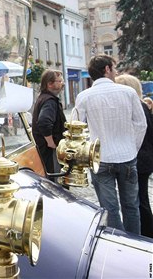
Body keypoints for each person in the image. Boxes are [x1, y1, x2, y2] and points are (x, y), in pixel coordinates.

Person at [74, 55, 146, 234]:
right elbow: (141, 124)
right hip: (127, 157)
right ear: (106, 69)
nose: (116, 72)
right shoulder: (128, 93)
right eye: (114, 68)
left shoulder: (84, 96)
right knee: (131, 206)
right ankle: (134, 243)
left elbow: (76, 128)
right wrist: (132, 147)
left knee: (110, 209)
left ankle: (119, 246)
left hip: (100, 159)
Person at [115, 74, 153, 237]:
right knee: (139, 199)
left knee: (139, 200)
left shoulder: (137, 106)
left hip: (141, 158)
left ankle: (147, 233)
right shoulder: (140, 105)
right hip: (144, 156)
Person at [31, 70, 67, 179]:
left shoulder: (45, 98)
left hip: (48, 149)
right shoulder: (49, 101)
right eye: (59, 81)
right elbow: (44, 122)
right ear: (50, 84)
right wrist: (51, 142)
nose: (63, 83)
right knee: (56, 181)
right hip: (51, 151)